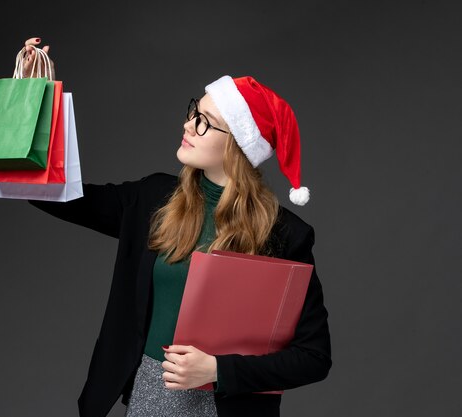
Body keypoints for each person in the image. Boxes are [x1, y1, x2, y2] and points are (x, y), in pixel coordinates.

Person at [21, 38, 331, 417]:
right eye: (193, 111)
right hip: (150, 399)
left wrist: (218, 370)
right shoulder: (153, 198)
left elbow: (314, 357)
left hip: (228, 409)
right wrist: (32, 95)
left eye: (204, 122)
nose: (188, 124)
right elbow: (50, 192)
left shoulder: (285, 234)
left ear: (238, 144)